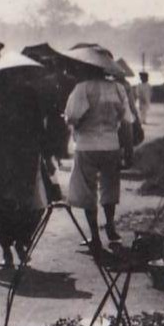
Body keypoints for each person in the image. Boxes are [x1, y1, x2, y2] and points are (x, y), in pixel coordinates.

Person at [0, 53, 59, 271]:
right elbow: (41, 130)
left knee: (5, 205)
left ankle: (11, 247)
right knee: (25, 204)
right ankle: (16, 245)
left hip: (6, 156)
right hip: (17, 156)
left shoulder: (1, 96)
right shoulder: (27, 95)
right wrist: (48, 157)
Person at [62, 48, 133, 251]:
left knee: (87, 190)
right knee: (110, 187)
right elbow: (127, 123)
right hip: (111, 145)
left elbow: (73, 117)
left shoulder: (82, 88)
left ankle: (95, 236)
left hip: (87, 145)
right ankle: (110, 227)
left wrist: (70, 120)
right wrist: (129, 151)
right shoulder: (118, 88)